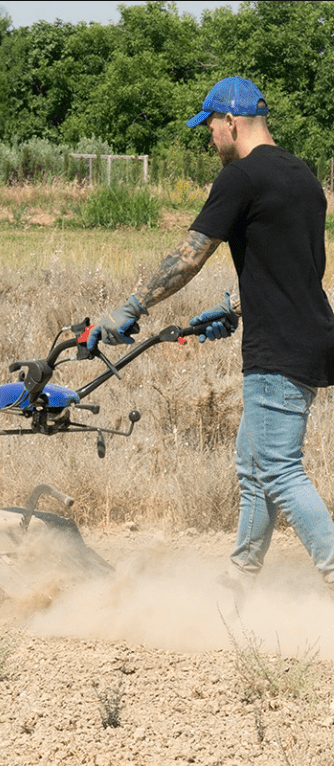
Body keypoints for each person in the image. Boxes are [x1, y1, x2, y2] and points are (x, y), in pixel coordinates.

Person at [87, 76, 334, 593]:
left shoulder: (241, 178)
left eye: (210, 128)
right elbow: (301, 271)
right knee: (254, 468)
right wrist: (235, 307)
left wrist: (130, 307)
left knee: (280, 470)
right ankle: (238, 582)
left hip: (278, 351)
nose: (209, 140)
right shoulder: (305, 178)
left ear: (231, 121)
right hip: (310, 336)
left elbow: (190, 255)